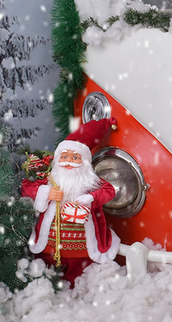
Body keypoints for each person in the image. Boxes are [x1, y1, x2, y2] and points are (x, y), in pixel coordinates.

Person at [22, 118, 121, 287]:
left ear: (85, 162)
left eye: (75, 157)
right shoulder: (50, 179)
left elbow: (109, 190)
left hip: (83, 250)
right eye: (64, 156)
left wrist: (90, 198)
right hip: (50, 247)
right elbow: (27, 187)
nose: (68, 161)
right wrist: (46, 192)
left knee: (81, 279)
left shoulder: (91, 183)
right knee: (46, 275)